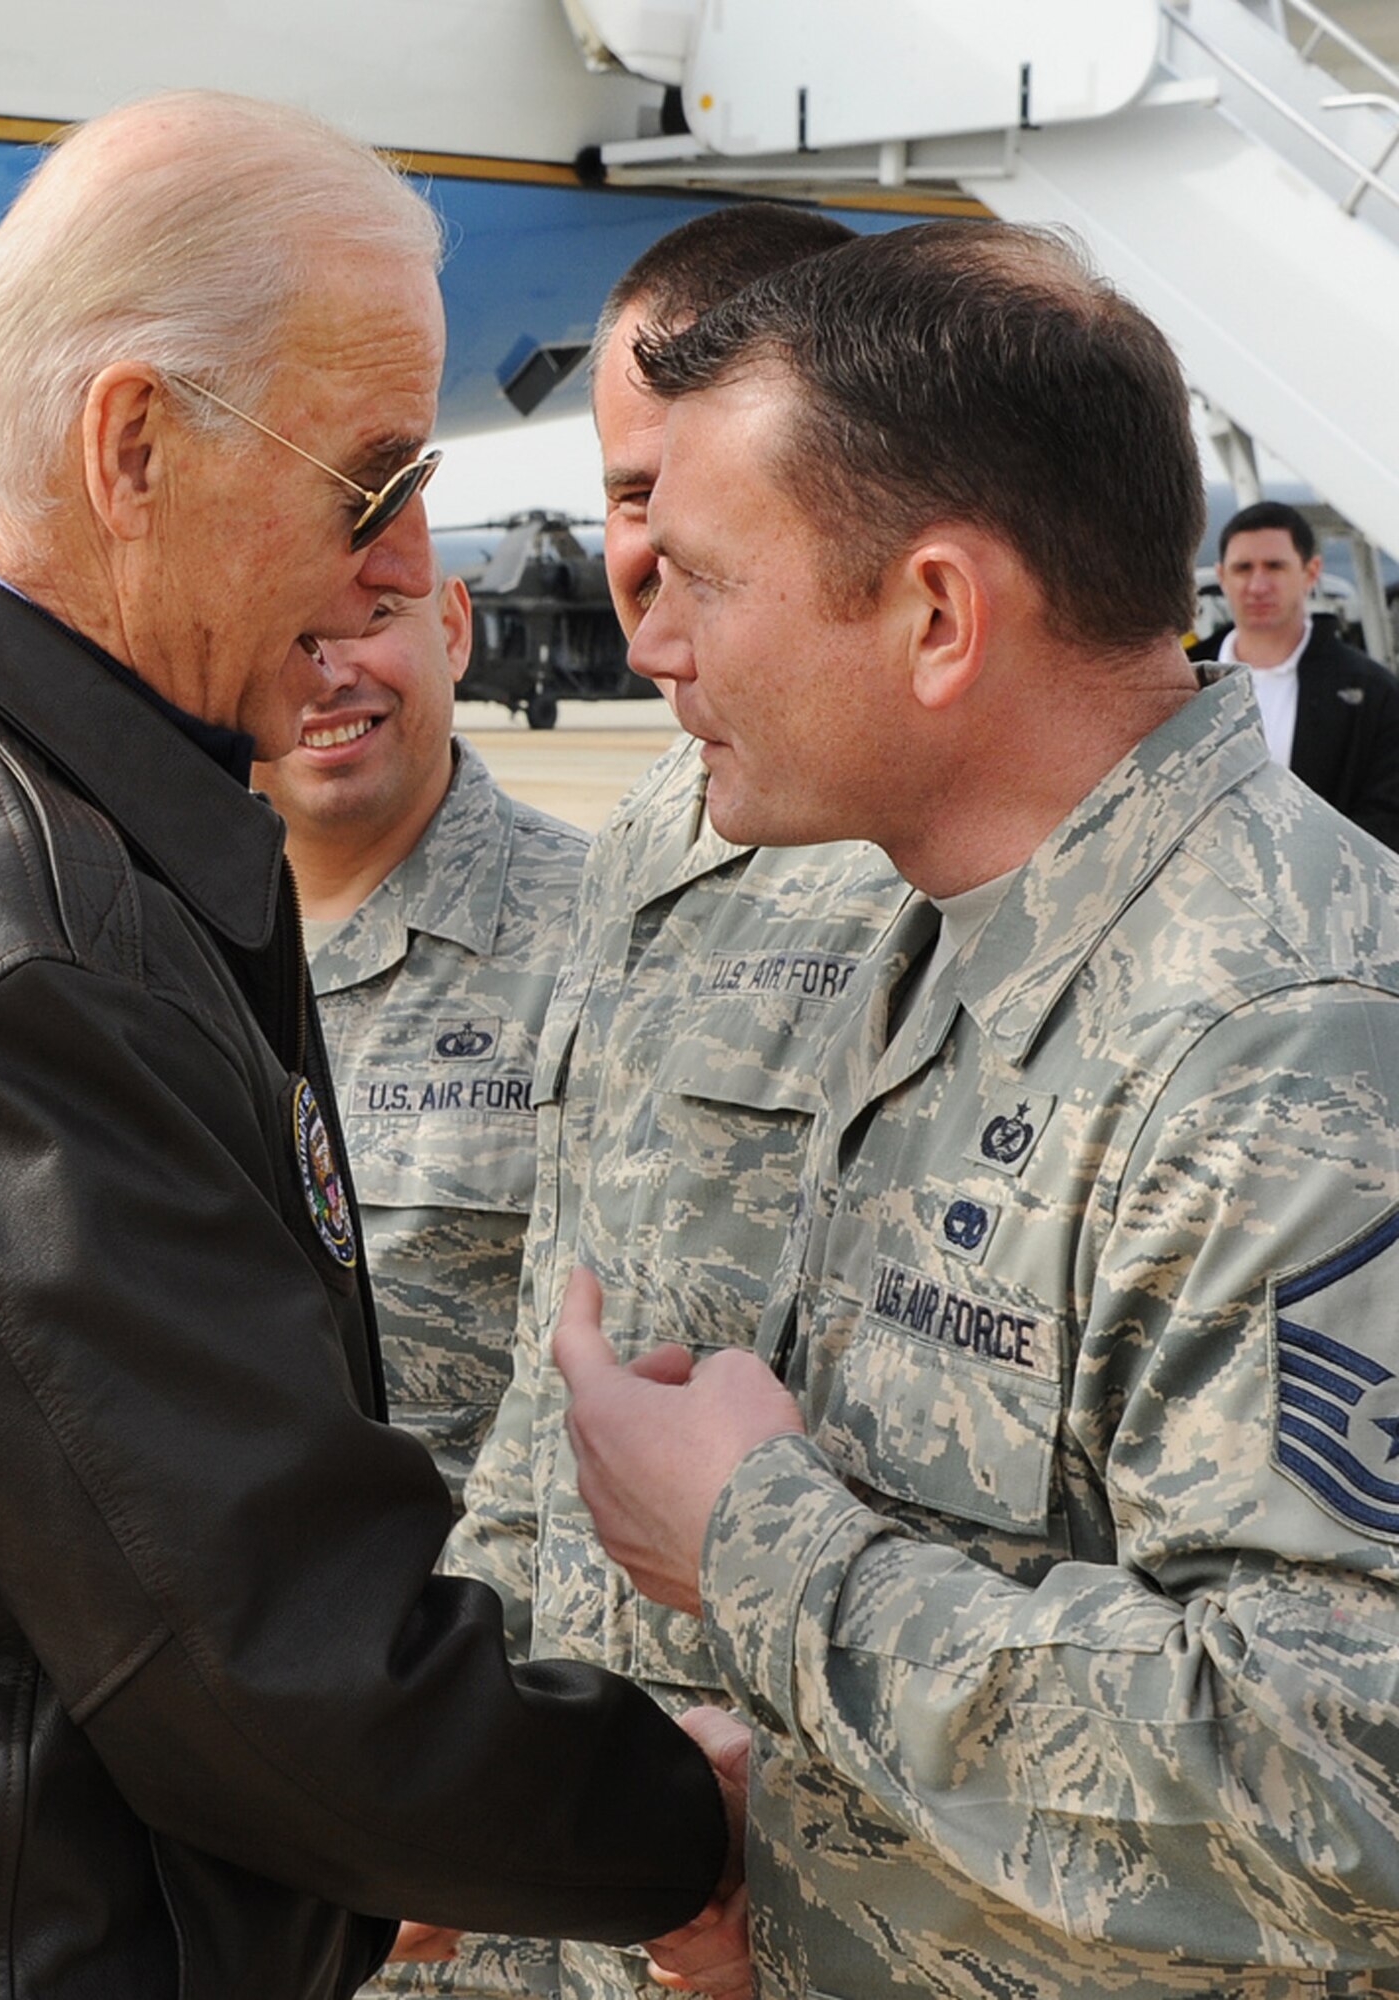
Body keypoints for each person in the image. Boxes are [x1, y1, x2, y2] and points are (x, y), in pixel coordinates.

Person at [0, 90, 741, 2000]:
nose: (394, 561)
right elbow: (270, 1667)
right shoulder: (9, 947)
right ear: (131, 443)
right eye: (370, 477)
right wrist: (688, 1835)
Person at [556, 221, 1399, 1998]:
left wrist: (755, 1548)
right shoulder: (954, 936)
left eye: (711, 577)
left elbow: (1345, 1787)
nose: (660, 646)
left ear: (936, 615)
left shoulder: (1283, 1043)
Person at [445, 203, 906, 2000]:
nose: (630, 555)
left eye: (664, 497)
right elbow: (558, 1330)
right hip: (603, 1825)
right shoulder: (651, 832)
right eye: (613, 497)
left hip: (802, 1851)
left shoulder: (905, 855)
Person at [255, 567, 587, 1520]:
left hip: (484, 1638)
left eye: (370, 616)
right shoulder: (139, 938)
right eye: (288, 625)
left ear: (453, 627)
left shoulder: (608, 944)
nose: (328, 672)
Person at [1190, 499, 1399, 850]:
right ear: (1222, 576)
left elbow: (1389, 815)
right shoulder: (1179, 681)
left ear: (1311, 573)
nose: (1258, 585)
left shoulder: (1374, 694)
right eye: (1243, 568)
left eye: (1274, 566)